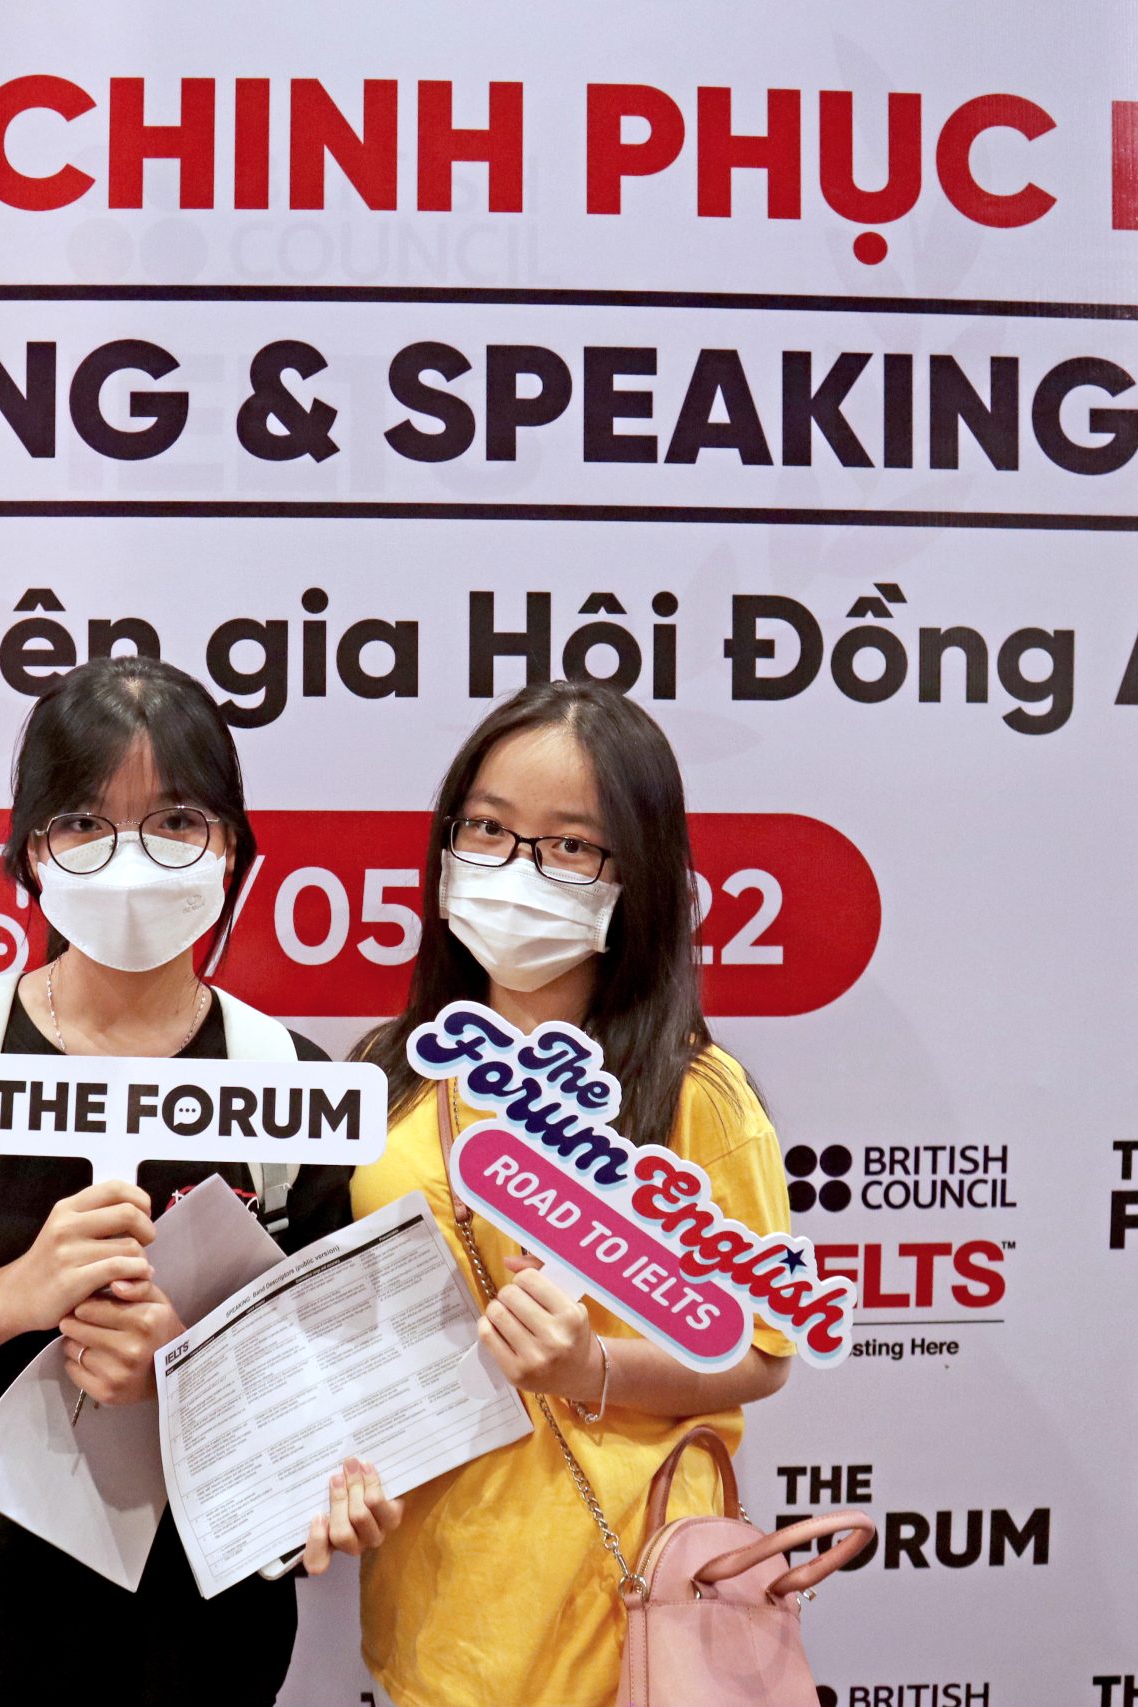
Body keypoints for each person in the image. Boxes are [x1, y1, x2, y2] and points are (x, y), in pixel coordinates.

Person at [0, 656, 397, 1707]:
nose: (131, 858)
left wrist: (181, 1374)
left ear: (231, 847)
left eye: (176, 821)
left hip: (196, 1660)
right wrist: (16, 1291)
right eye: (83, 821)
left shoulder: (289, 1085)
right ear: (31, 848)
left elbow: (326, 1399)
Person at [340, 680, 797, 1707]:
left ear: (637, 874)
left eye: (571, 845)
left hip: (617, 1625)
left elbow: (762, 1352)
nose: (517, 867)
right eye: (488, 829)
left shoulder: (693, 1093)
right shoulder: (389, 1072)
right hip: (434, 1616)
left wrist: (592, 1366)